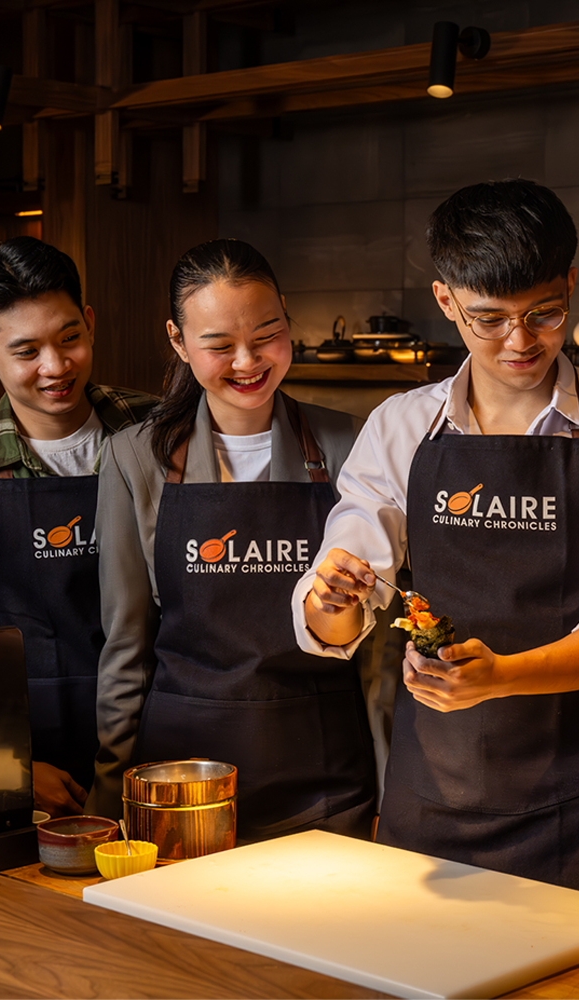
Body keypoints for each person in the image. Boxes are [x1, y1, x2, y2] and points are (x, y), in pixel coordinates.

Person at [292, 179, 579, 903]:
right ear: (446, 300)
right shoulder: (401, 426)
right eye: (489, 319)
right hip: (429, 796)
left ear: (571, 282)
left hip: (578, 798)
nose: (520, 342)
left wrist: (503, 675)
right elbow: (342, 595)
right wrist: (332, 595)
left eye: (544, 314)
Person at [88, 238, 377, 842]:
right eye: (219, 344)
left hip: (324, 771)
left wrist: (394, 788)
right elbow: (127, 644)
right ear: (178, 341)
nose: (248, 360)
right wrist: (111, 793)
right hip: (183, 782)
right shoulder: (135, 458)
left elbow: (381, 656)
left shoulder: (352, 446)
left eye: (267, 334)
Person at [0, 236, 156, 817]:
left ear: (90, 323)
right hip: (42, 773)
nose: (56, 366)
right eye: (26, 351)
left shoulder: (158, 431)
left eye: (69, 337)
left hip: (171, 741)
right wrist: (12, 764)